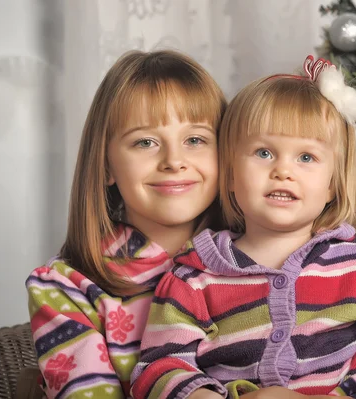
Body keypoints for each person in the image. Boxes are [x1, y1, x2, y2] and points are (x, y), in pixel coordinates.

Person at [130, 56, 356, 399]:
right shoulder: (193, 279)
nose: (284, 171)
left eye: (306, 158)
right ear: (232, 174)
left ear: (332, 184)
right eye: (264, 153)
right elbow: (160, 366)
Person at [25, 49, 226, 398]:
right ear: (106, 166)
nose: (174, 161)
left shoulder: (260, 263)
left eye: (195, 140)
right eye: (145, 142)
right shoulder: (67, 288)